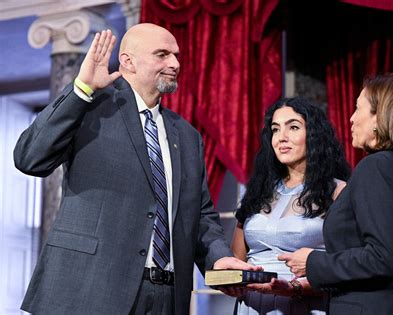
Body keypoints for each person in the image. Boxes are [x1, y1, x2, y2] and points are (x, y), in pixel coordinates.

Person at [13, 24, 259, 315]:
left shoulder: (187, 135)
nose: (175, 64)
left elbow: (200, 215)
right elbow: (30, 157)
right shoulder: (91, 108)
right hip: (90, 291)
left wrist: (219, 257)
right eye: (162, 54)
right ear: (128, 61)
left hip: (166, 297)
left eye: (177, 56)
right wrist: (81, 90)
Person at [280, 73, 393, 314]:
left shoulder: (377, 167)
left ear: (380, 117)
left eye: (357, 108)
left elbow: (381, 258)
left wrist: (312, 262)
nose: (351, 119)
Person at [229, 97, 351, 314]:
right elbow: (237, 259)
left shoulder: (339, 191)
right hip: (251, 306)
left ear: (314, 135)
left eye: (293, 127)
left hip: (305, 304)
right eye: (275, 130)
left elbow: (345, 267)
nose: (281, 138)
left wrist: (293, 288)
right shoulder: (258, 191)